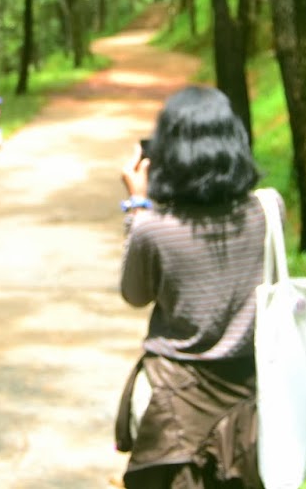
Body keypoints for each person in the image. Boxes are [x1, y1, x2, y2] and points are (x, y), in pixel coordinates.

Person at [116, 85, 272, 489]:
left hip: (174, 405)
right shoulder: (268, 212)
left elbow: (135, 294)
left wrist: (137, 206)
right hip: (249, 402)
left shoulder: (154, 229)